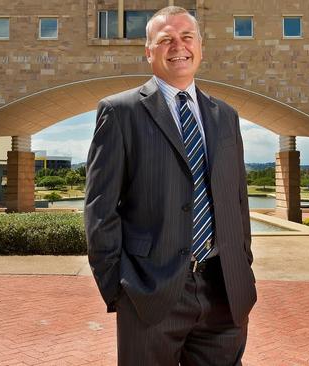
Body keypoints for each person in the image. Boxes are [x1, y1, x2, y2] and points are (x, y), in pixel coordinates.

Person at [85, 6, 256, 365]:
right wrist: (118, 289)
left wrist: (242, 265)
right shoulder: (120, 113)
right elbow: (100, 210)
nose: (178, 46)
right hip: (150, 294)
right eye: (165, 40)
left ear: (200, 47)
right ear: (149, 51)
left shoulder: (226, 116)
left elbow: (237, 200)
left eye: (186, 37)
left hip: (224, 293)